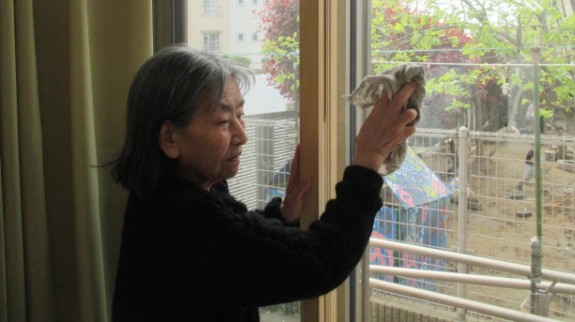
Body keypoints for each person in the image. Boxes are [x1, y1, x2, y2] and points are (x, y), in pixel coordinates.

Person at [109, 45, 419, 322]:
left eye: (240, 115)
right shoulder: (184, 222)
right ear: (169, 137)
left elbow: (237, 250)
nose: (242, 135)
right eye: (223, 122)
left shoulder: (171, 193)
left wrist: (283, 214)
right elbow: (320, 261)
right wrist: (369, 158)